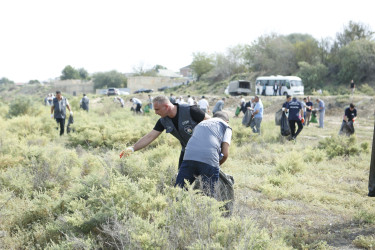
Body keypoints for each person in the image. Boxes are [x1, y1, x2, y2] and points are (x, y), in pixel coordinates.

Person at [120, 96, 210, 167]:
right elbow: (149, 137)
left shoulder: (190, 110)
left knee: (208, 177)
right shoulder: (163, 121)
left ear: (166, 107)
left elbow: (212, 123)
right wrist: (132, 149)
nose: (155, 112)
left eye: (157, 109)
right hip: (187, 150)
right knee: (182, 180)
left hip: (204, 148)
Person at [175, 111, 231, 196]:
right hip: (208, 158)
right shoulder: (226, 126)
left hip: (189, 156)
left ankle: (176, 207)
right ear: (227, 121)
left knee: (180, 190)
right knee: (208, 195)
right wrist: (216, 165)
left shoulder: (201, 124)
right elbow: (225, 153)